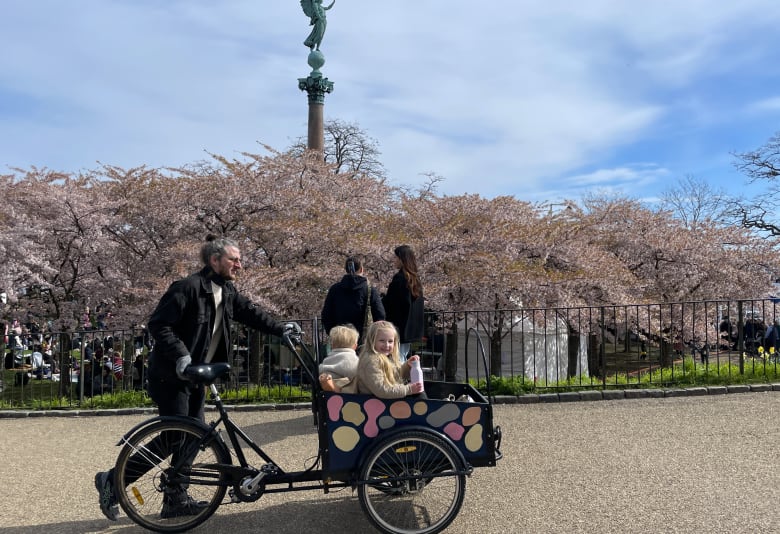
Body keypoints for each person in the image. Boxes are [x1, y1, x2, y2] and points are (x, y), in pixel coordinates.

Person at [95, 235, 296, 522]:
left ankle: (175, 500)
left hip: (196, 377)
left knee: (194, 437)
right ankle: (112, 481)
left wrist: (281, 330)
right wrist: (181, 355)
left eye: (239, 259)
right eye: (234, 259)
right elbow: (158, 324)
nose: (239, 264)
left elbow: (251, 314)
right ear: (215, 260)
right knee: (175, 437)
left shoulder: (226, 291)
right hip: (171, 377)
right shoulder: (187, 288)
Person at [321, 256, 385, 345]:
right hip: (364, 338)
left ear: (346, 269)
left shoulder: (335, 289)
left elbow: (326, 315)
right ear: (361, 269)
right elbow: (380, 315)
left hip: (340, 337)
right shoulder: (369, 289)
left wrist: (333, 333)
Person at [356, 321, 425, 399]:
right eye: (382, 341)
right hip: (375, 402)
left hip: (385, 399)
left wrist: (407, 366)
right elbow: (382, 390)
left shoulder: (385, 357)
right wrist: (409, 389)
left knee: (419, 390)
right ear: (372, 341)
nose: (387, 345)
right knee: (418, 395)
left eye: (390, 341)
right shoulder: (371, 360)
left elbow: (395, 376)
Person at [382, 245, 424, 362]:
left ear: (402, 259)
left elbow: (391, 304)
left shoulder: (400, 279)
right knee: (403, 355)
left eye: (396, 258)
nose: (394, 260)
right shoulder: (415, 279)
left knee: (397, 358)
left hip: (399, 327)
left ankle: (398, 380)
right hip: (410, 329)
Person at [319, 324, 359, 393]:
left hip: (328, 390)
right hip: (346, 395)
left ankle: (330, 384)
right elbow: (356, 373)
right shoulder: (351, 359)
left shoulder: (328, 358)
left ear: (332, 345)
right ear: (355, 346)